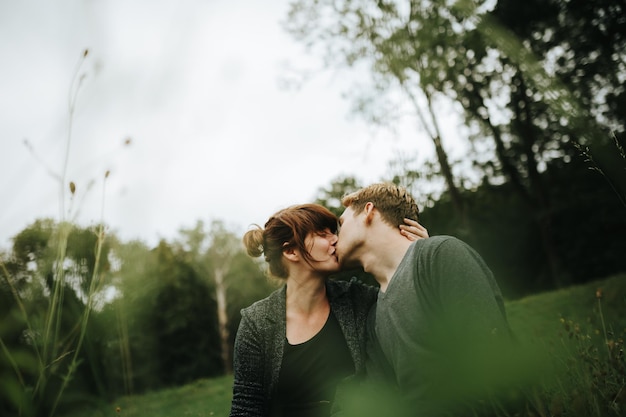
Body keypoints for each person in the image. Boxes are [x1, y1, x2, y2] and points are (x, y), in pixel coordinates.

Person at [229, 203, 428, 417]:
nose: (336, 239)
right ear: (290, 251)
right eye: (323, 234)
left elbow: (412, 311)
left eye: (334, 232)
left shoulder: (358, 299)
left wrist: (419, 256)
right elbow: (246, 406)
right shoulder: (257, 322)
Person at [335, 183, 514, 417]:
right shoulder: (373, 317)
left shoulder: (439, 255)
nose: (335, 237)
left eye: (341, 224)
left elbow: (494, 363)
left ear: (369, 211)